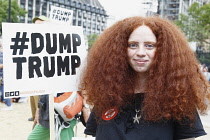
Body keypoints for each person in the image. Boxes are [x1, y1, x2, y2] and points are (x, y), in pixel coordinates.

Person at [80, 16, 210, 140]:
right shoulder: (107, 94)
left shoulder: (178, 99)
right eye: (133, 45)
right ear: (120, 49)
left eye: (149, 45)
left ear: (164, 50)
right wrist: (82, 103)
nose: (140, 53)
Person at [28, 15, 50, 121]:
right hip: (33, 74)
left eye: (40, 24)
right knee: (33, 98)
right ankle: (34, 117)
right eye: (35, 24)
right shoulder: (31, 39)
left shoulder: (50, 39)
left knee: (40, 101)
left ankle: (39, 119)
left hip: (45, 76)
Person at [0, 39, 13, 111]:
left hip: (2, 76)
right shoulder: (3, 54)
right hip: (3, 75)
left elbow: (2, 65)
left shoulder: (1, 54)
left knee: (4, 90)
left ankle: (9, 105)